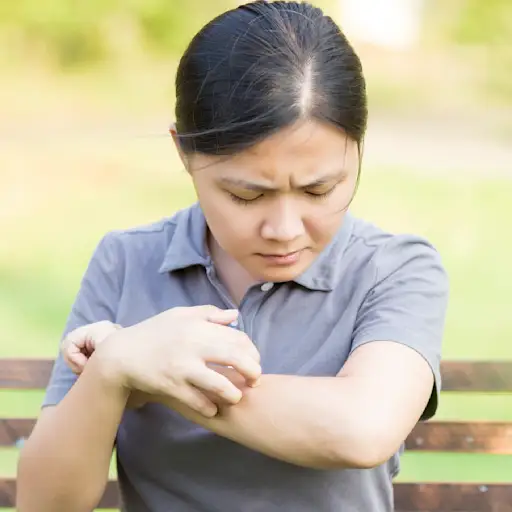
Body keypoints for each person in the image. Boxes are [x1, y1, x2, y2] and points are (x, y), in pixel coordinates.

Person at [16, 1, 449, 511]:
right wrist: (113, 372)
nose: (284, 230)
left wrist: (154, 370)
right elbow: (46, 504)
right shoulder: (127, 261)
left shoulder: (394, 269)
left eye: (319, 190)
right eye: (246, 195)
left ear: (357, 149)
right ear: (184, 153)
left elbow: (360, 429)